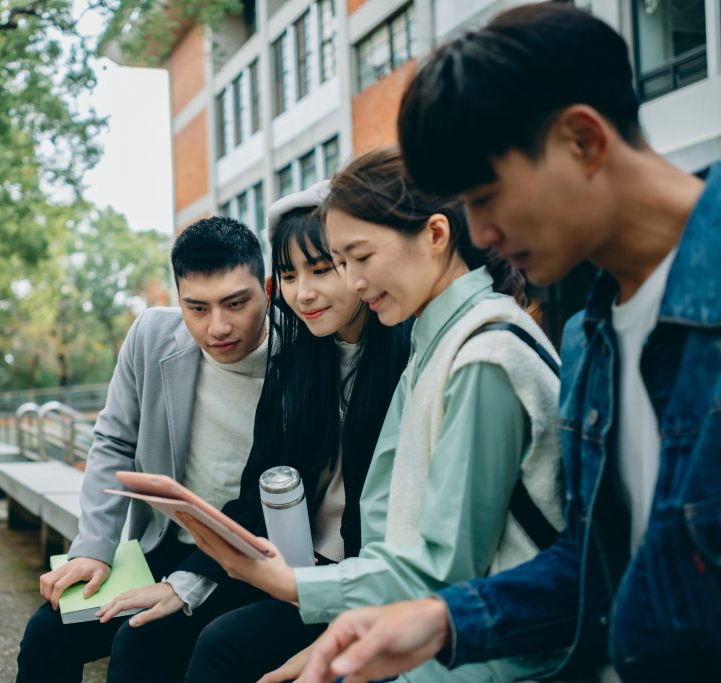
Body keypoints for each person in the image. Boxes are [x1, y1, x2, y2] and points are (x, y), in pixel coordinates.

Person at [298, 4, 720, 683]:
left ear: (582, 140)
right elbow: (592, 567)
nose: (482, 232)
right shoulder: (588, 341)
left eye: (486, 197)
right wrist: (444, 618)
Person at [183, 146, 565, 682]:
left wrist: (293, 587)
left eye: (356, 258)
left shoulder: (483, 356)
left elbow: (445, 568)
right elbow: (390, 528)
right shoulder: (436, 347)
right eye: (341, 262)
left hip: (484, 658)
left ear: (435, 237)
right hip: (423, 633)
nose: (353, 281)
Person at [97, 182, 410, 682]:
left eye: (322, 269)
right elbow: (260, 480)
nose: (304, 292)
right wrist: (189, 578)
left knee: (220, 646)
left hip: (366, 579)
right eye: (290, 275)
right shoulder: (303, 359)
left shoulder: (403, 357)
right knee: (149, 639)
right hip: (295, 570)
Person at [16, 216, 271, 682]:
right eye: (197, 308)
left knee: (140, 647)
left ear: (267, 289)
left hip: (252, 559)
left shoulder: (300, 357)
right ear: (178, 300)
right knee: (47, 635)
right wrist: (92, 548)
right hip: (166, 544)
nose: (218, 327)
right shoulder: (153, 337)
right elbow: (113, 442)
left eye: (236, 303)